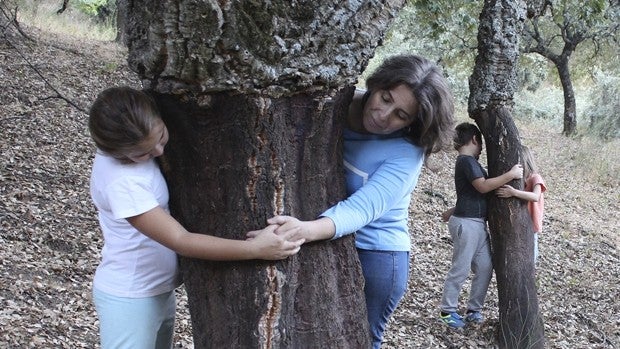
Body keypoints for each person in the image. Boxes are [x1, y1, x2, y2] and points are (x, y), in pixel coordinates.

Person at [250, 55, 456, 348]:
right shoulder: (334, 105)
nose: (384, 115)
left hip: (378, 256)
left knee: (359, 341)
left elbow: (362, 209)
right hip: (330, 241)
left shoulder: (407, 152)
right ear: (376, 85)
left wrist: (301, 231)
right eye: (385, 98)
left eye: (401, 115)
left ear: (414, 122)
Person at [88, 87, 304, 349]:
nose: (157, 151)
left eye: (160, 137)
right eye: (142, 153)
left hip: (155, 291)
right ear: (116, 152)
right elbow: (180, 239)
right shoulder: (121, 182)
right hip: (131, 296)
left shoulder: (135, 148)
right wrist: (254, 249)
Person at [438, 122, 523, 328]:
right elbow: (483, 187)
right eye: (481, 143)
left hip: (475, 223)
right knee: (461, 267)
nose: (482, 148)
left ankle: (473, 310)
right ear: (475, 139)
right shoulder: (466, 161)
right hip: (467, 223)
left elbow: (469, 191)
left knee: (485, 266)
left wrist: (452, 210)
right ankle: (447, 311)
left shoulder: (471, 163)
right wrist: (511, 175)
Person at [496, 145, 546, 262]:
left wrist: (513, 192)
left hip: (531, 223)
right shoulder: (521, 181)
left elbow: (535, 196)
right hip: (522, 222)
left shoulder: (535, 178)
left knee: (531, 254)